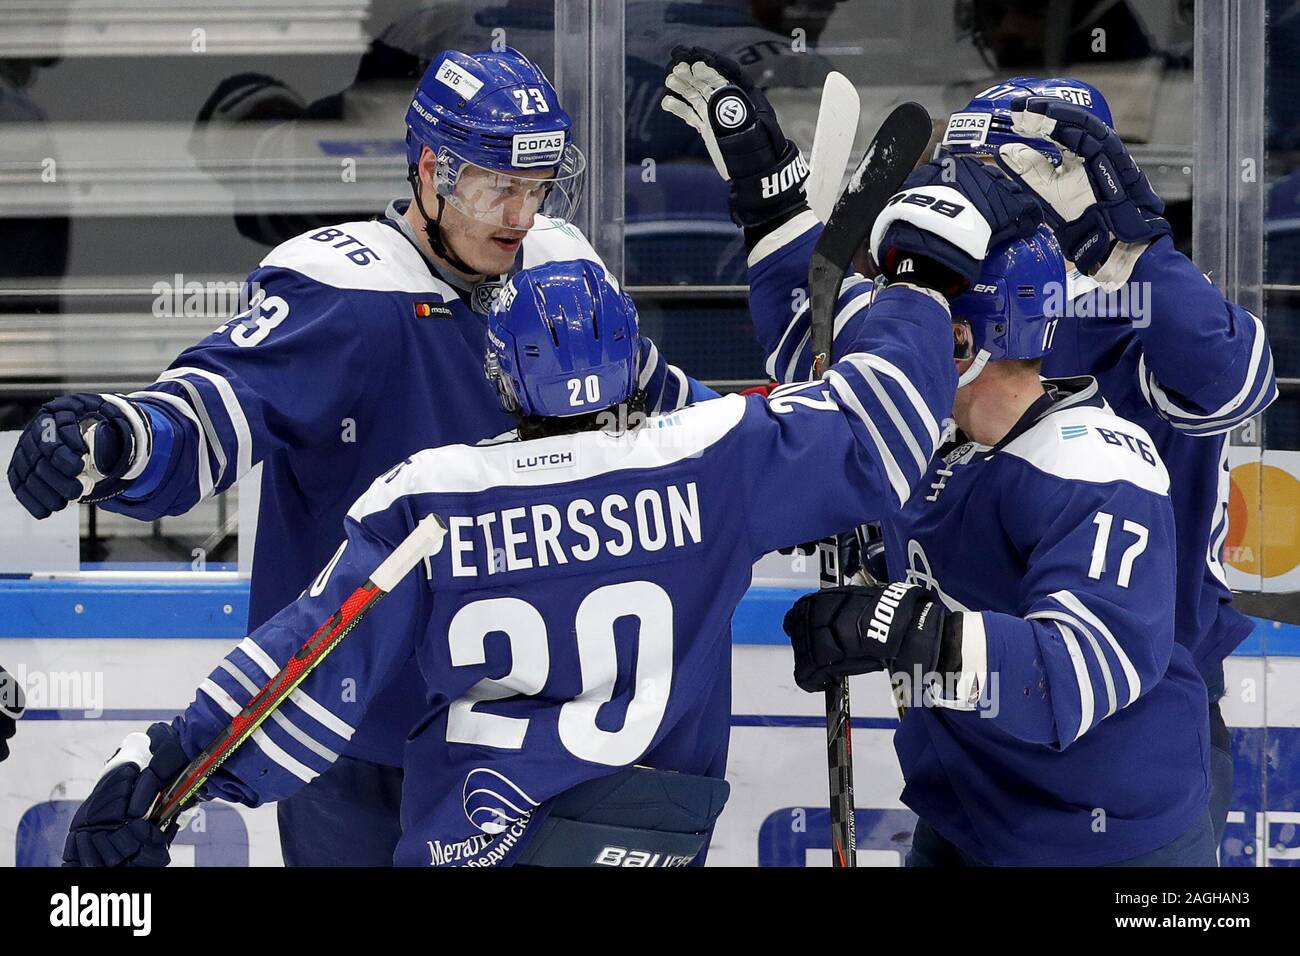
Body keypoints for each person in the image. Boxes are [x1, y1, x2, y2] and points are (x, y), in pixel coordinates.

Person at [7, 46, 710, 867]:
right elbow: (212, 412)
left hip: (521, 731)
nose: (521, 215)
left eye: (536, 187)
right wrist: (113, 438)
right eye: (496, 186)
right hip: (349, 731)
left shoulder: (562, 264)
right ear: (429, 170)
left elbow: (666, 411)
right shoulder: (341, 288)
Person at [62, 234, 973, 865]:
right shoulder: (717, 457)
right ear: (630, 358)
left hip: (479, 836)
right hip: (649, 837)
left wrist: (167, 769)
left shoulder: (433, 500)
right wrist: (912, 293)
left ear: (501, 373)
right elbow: (884, 417)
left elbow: (308, 667)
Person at [666, 46, 1214, 865]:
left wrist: (905, 630)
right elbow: (812, 334)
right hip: (962, 822)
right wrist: (769, 194)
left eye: (912, 312)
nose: (891, 334)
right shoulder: (914, 421)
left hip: (1105, 845)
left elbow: (1075, 674)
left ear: (961, 337)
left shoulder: (1101, 467)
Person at [939, 77, 1278, 845]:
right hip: (979, 709)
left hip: (1142, 709)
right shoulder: (963, 300)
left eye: (999, 171)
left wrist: (1135, 249)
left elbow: (1235, 383)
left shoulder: (1143, 305)